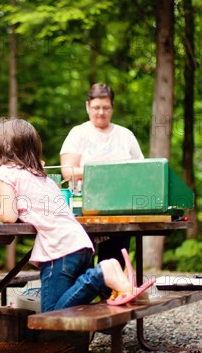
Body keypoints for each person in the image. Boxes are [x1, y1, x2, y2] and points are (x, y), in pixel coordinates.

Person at [0, 118, 151, 312]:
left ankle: (101, 274)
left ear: (5, 149)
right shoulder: (39, 175)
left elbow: (8, 215)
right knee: (73, 308)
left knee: (50, 314)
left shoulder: (4, 174)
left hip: (59, 251)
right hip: (80, 244)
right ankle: (103, 274)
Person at [60, 83, 144, 267]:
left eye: (106, 108)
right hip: (84, 210)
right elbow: (67, 172)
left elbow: (141, 171)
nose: (101, 112)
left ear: (112, 107)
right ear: (87, 106)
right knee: (82, 267)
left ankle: (111, 293)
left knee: (113, 264)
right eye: (96, 107)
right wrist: (105, 172)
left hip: (120, 210)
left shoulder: (126, 135)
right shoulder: (78, 133)